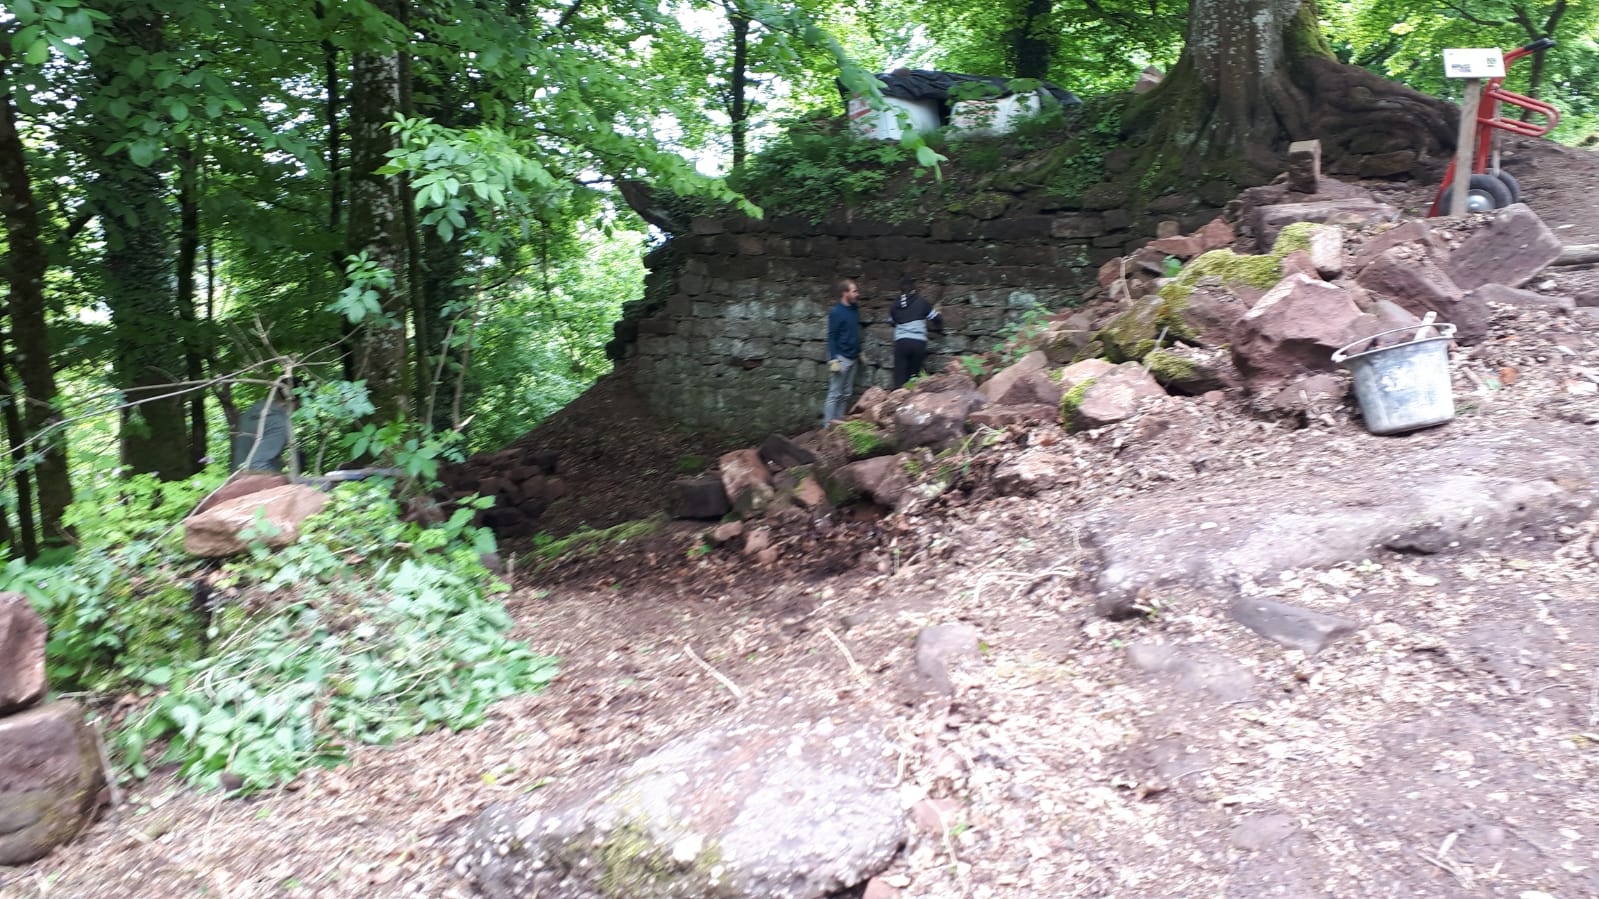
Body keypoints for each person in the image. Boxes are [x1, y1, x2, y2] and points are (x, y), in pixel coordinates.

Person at [889, 276, 943, 389]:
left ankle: (897, 396)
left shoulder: (894, 306)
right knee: (914, 378)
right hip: (918, 343)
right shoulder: (922, 303)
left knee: (899, 378)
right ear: (914, 290)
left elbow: (891, 322)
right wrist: (939, 314)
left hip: (901, 343)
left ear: (900, 290)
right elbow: (937, 319)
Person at [230, 380, 295, 473]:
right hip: (256, 479)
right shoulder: (278, 423)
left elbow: (249, 450)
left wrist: (279, 462)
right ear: (294, 400)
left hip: (237, 477)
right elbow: (256, 465)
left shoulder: (249, 414)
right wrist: (284, 479)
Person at [822, 277, 862, 426]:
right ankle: (827, 426)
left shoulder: (854, 309)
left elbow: (853, 332)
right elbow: (832, 336)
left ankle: (837, 424)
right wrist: (833, 359)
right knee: (834, 393)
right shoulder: (836, 312)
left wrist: (859, 351)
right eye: (854, 291)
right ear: (845, 293)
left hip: (853, 357)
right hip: (841, 358)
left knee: (846, 393)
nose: (857, 294)